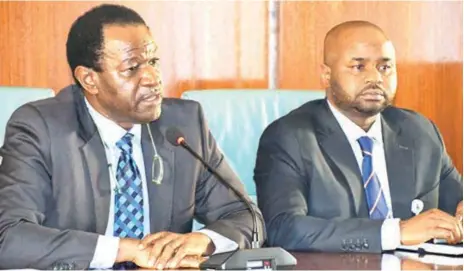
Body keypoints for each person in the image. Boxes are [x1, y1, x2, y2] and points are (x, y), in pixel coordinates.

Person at [0, 4, 264, 270]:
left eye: (153, 62)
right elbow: (8, 237)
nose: (152, 77)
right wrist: (125, 249)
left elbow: (247, 217)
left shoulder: (184, 126)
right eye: (131, 68)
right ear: (89, 80)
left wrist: (201, 240)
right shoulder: (40, 129)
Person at [254, 20, 463, 253]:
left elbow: (456, 204)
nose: (375, 78)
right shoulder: (289, 138)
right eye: (358, 67)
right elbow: (284, 228)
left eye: (385, 68)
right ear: (326, 75)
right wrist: (396, 233)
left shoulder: (420, 132)